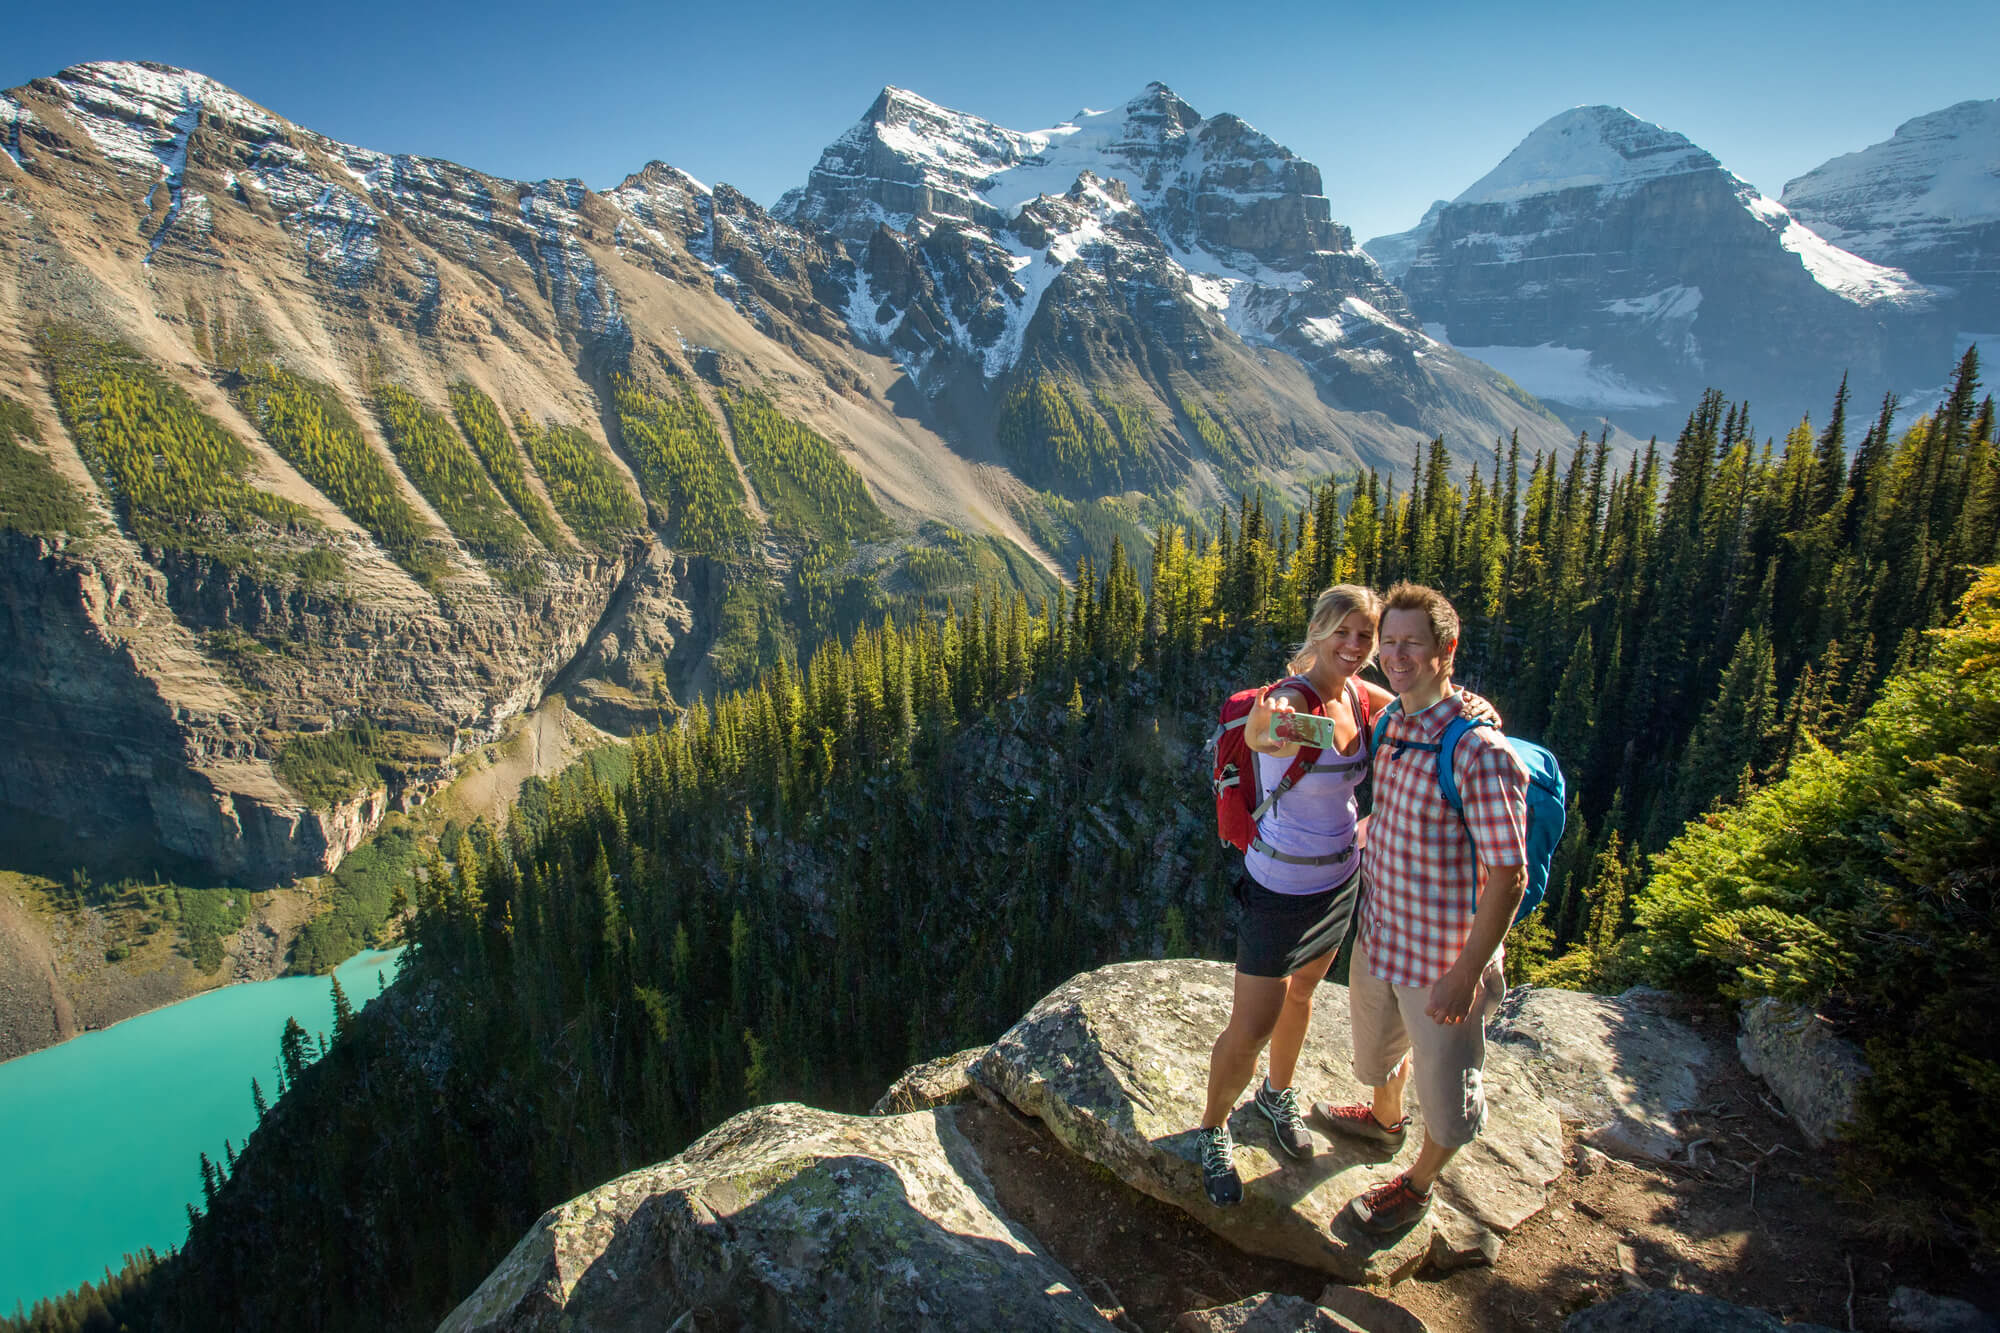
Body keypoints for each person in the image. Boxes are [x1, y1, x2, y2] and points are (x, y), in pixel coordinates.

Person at [1195, 585, 1499, 1207]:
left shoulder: (1363, 697)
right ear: (1318, 631)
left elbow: (1425, 707)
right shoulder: (1292, 697)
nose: (1358, 647)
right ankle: (1212, 1129)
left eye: (1369, 636)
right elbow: (1261, 730)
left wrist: (1476, 709)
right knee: (1250, 1026)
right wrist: (1306, 724)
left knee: (1302, 995)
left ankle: (1277, 1096)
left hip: (1340, 883)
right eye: (1346, 633)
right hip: (1279, 886)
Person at [1313, 581, 1529, 1235]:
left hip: (1440, 964)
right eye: (1390, 642)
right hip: (1380, 938)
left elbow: (1510, 874)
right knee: (1376, 1052)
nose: (1396, 655)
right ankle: (1383, 1119)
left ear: (1446, 648)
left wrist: (1466, 972)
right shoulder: (1400, 723)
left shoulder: (1478, 751)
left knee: (1447, 1095)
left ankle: (1418, 1182)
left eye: (1413, 643)